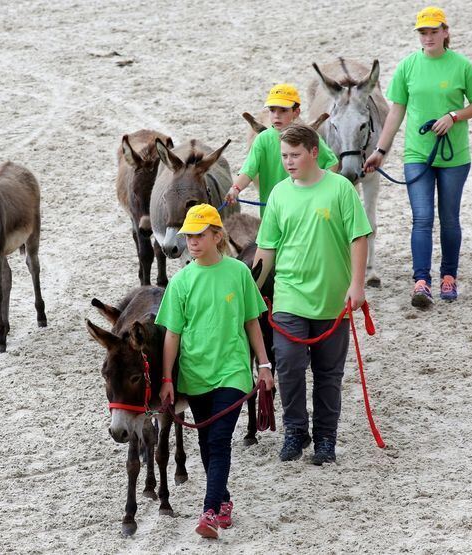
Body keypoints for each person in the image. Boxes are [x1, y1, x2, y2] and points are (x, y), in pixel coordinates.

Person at [254, 123, 372, 465]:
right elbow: (266, 248)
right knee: (288, 365)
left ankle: (325, 438)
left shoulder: (340, 189)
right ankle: (295, 430)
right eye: (284, 156)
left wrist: (357, 285)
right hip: (289, 295)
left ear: (314, 152)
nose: (288, 162)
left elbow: (358, 237)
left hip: (334, 298)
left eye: (295, 155)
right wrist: (253, 290)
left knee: (328, 375)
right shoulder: (279, 194)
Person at [156, 204, 274, 539]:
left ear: (217, 236)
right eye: (189, 236)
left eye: (199, 235)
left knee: (220, 440)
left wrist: (264, 365)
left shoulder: (239, 273)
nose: (192, 242)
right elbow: (172, 335)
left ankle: (209, 512)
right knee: (207, 442)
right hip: (195, 374)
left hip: (233, 372)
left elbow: (252, 321)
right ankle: (223, 500)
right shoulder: (180, 282)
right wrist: (167, 379)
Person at [363, 6, 472, 308]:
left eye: (433, 31)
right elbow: (397, 111)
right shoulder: (408, 66)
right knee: (421, 217)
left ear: (445, 32)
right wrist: (380, 150)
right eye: (423, 32)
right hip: (417, 154)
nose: (428, 37)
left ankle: (448, 277)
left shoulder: (461, 66)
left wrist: (453, 116)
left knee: (449, 218)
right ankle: (421, 281)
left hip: (454, 156)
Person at [225, 83, 340, 211]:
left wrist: (322, 189)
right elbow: (248, 171)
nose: (276, 115)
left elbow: (331, 162)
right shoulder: (262, 140)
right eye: (272, 110)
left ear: (296, 112)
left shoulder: (309, 137)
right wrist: (235, 189)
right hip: (272, 209)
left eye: (283, 110)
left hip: (304, 208)